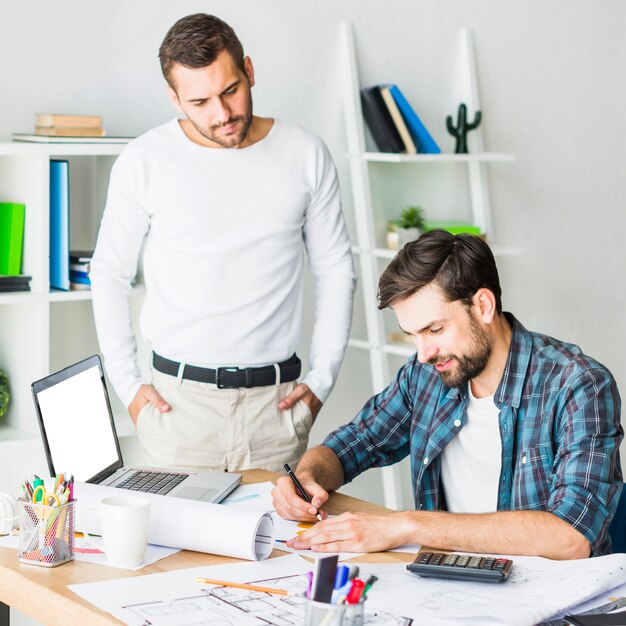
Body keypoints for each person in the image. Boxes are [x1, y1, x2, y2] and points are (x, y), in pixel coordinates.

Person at [90, 13, 355, 473]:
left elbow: (336, 270)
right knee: (173, 547)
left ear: (249, 71)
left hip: (277, 411)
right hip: (178, 412)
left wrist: (320, 382)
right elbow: (108, 272)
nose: (222, 113)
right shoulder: (144, 160)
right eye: (200, 101)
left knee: (282, 546)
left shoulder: (305, 154)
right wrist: (129, 389)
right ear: (174, 98)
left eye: (230, 90)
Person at [272, 230, 623, 558]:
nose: (424, 352)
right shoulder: (425, 374)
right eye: (413, 334)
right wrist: (307, 477)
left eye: (435, 329)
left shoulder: (579, 385)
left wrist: (407, 526)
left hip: (553, 608)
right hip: (447, 587)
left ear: (483, 306)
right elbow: (353, 444)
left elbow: (572, 537)